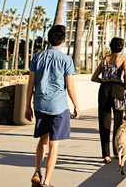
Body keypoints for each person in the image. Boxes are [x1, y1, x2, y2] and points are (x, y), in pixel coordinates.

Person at [25, 25, 79, 187]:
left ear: (49, 39)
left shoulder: (37, 57)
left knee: (43, 139)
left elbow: (31, 83)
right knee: (54, 144)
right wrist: (76, 105)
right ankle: (47, 182)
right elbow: (70, 86)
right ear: (63, 40)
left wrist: (27, 105)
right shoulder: (66, 60)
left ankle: (37, 171)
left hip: (40, 103)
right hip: (58, 105)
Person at [91, 37, 126, 164]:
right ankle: (117, 152)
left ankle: (106, 154)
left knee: (104, 121)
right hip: (117, 88)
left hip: (104, 89)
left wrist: (104, 81)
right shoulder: (123, 59)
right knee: (118, 122)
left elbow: (94, 77)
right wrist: (125, 89)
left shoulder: (104, 59)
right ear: (121, 47)